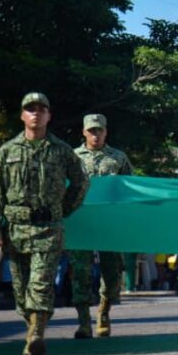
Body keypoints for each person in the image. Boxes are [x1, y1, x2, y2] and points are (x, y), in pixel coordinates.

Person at [0, 92, 89, 355]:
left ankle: (36, 334)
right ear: (22, 115)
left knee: (41, 283)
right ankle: (31, 324)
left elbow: (81, 182)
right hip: (16, 230)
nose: (36, 113)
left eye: (41, 109)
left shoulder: (61, 150)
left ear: (48, 116)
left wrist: (64, 209)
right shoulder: (8, 150)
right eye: (30, 109)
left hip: (48, 229)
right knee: (21, 291)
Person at [68, 113, 133, 339]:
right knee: (80, 272)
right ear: (84, 132)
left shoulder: (118, 158)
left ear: (106, 132)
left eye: (100, 130)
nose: (96, 134)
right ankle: (83, 321)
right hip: (82, 222)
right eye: (91, 130)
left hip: (110, 224)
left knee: (112, 272)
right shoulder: (72, 157)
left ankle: (104, 311)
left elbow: (130, 189)